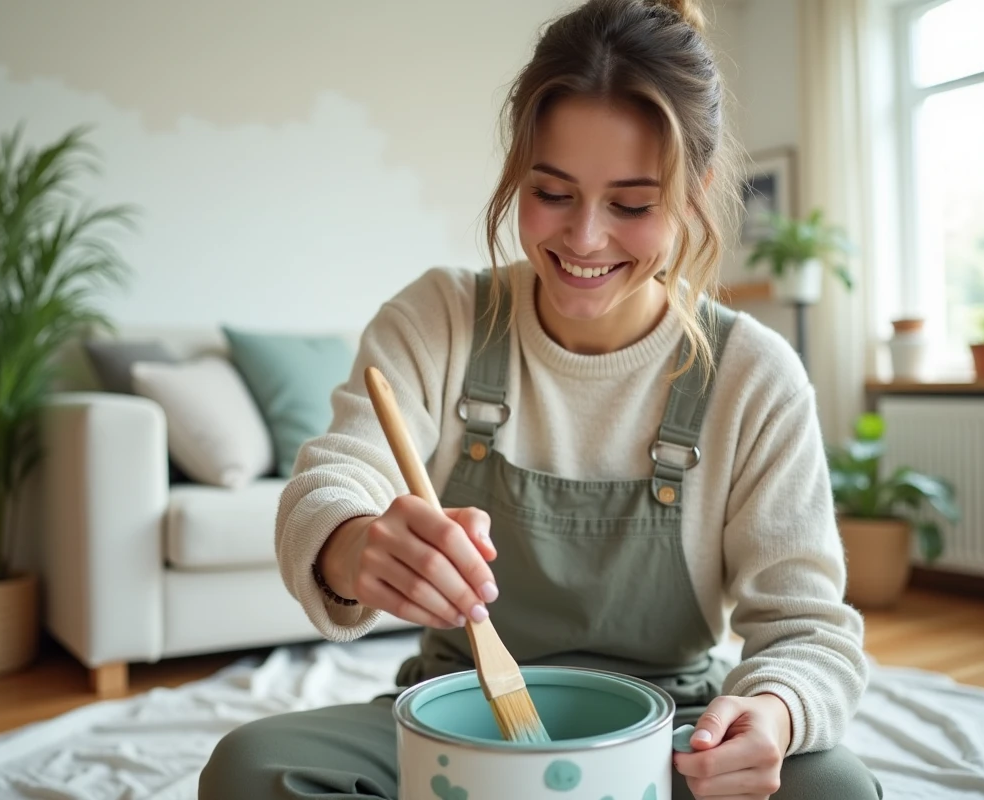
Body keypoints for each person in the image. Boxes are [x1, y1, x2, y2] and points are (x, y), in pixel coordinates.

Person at [199, 0, 882, 797]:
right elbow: (331, 483)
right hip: (455, 723)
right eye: (551, 192)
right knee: (250, 769)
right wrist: (355, 546)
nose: (585, 239)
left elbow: (808, 631)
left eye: (631, 203)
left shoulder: (754, 374)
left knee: (834, 787)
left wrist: (775, 711)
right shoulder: (441, 318)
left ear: (694, 193)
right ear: (517, 171)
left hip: (671, 736)